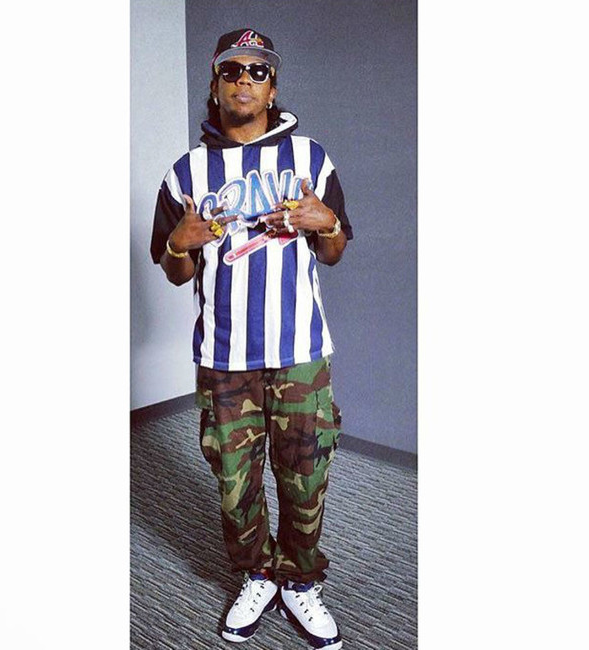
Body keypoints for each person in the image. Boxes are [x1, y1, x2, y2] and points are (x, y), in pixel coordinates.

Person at [150, 28, 353, 649]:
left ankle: (302, 581)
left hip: (300, 354)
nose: (245, 79)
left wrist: (327, 223)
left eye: (258, 71)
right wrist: (178, 244)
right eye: (232, 70)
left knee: (305, 475)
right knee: (235, 483)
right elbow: (176, 269)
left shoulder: (311, 159)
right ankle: (257, 574)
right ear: (215, 85)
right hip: (225, 357)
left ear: (273, 87)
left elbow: (335, 250)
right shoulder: (185, 172)